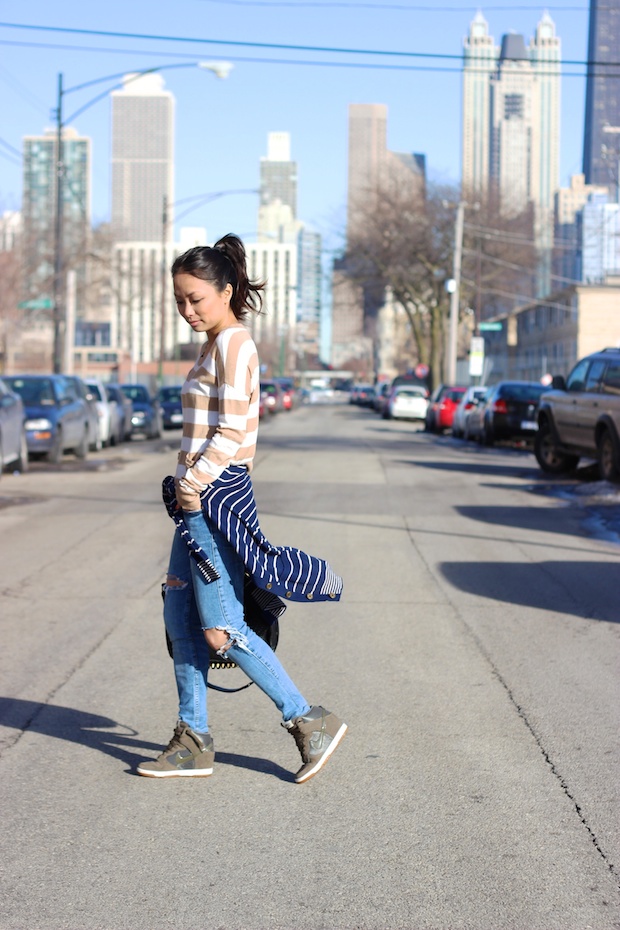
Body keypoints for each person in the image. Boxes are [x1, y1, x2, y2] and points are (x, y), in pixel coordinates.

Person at [137, 234, 347, 784]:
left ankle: (308, 722)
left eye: (196, 299)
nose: (186, 310)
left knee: (222, 628)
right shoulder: (211, 346)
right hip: (193, 496)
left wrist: (196, 482)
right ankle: (192, 738)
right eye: (179, 299)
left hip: (212, 494)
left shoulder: (234, 344)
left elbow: (232, 432)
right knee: (179, 616)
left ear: (226, 291)